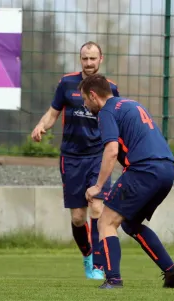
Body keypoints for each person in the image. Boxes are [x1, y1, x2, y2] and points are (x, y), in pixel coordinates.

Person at [80, 73, 174, 289]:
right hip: (166, 169)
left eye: (84, 99)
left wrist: (98, 187)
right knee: (130, 223)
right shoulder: (131, 104)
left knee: (106, 221)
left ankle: (113, 280)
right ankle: (171, 270)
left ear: (93, 95)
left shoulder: (106, 112)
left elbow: (111, 151)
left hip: (144, 169)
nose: (85, 104)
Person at [31, 41, 119, 280]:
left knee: (98, 208)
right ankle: (88, 256)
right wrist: (41, 126)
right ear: (80, 60)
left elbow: (117, 123)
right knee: (78, 217)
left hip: (98, 157)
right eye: (85, 59)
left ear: (101, 59)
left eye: (93, 59)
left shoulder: (110, 88)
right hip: (71, 158)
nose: (89, 63)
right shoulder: (66, 83)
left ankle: (99, 265)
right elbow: (52, 113)